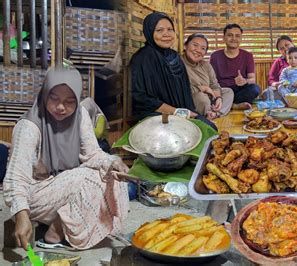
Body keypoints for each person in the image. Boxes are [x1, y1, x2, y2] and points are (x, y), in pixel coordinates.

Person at [3, 68, 129, 250]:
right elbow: (16, 178)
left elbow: (92, 154)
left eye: (70, 101)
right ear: (44, 94)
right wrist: (21, 215)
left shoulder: (80, 116)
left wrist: (113, 162)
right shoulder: (29, 126)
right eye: (54, 99)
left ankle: (59, 227)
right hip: (35, 192)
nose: (61, 107)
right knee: (88, 178)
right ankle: (54, 236)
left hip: (63, 181)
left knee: (111, 174)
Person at [130, 12, 216, 129]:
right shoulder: (143, 57)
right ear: (149, 32)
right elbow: (142, 98)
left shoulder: (174, 56)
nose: (166, 34)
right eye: (159, 30)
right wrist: (178, 112)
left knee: (210, 128)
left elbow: (185, 91)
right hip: (155, 115)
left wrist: (191, 113)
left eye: (170, 29)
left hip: (179, 112)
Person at [182, 33, 234, 120]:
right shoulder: (178, 63)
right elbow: (179, 89)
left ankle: (215, 113)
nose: (198, 50)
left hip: (210, 97)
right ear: (185, 46)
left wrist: (218, 98)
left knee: (228, 92)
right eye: (195, 45)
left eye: (203, 48)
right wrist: (203, 88)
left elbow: (215, 85)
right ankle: (208, 113)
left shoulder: (206, 65)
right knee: (201, 97)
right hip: (192, 99)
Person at [210, 24, 260, 110]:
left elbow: (252, 79)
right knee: (210, 93)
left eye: (237, 36)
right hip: (223, 91)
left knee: (255, 89)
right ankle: (233, 105)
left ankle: (228, 104)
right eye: (230, 35)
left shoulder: (247, 56)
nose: (233, 38)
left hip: (239, 91)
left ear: (241, 38)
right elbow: (211, 81)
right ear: (224, 37)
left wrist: (245, 81)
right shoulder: (215, 56)